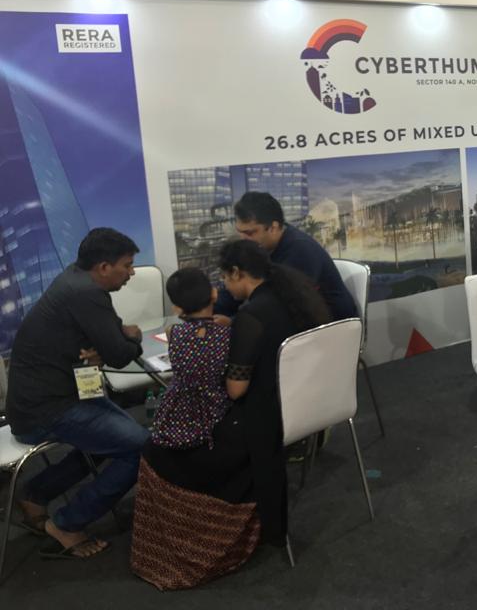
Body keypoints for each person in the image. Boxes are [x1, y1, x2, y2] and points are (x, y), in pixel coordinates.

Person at [131, 241, 329, 590]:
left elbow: (236, 390)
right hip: (300, 403)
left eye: (224, 278)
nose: (223, 287)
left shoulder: (250, 316)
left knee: (155, 450)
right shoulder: (288, 297)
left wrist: (234, 337)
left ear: (237, 273)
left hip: (259, 420)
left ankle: (185, 546)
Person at [7, 228, 150, 559]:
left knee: (114, 441)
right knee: (142, 447)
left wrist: (114, 339)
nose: (131, 273)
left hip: (45, 400)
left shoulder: (75, 279)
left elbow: (110, 335)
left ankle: (35, 495)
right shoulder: (86, 293)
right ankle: (67, 524)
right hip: (45, 411)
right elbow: (119, 352)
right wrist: (134, 337)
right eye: (127, 265)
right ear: (104, 267)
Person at [214, 191, 357, 322]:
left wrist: (234, 323)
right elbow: (237, 286)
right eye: (240, 232)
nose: (243, 239)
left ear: (273, 227)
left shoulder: (300, 251)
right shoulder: (257, 248)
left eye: (250, 233)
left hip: (332, 326)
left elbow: (278, 307)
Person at [148, 268, 231, 450]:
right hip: (217, 410)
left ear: (177, 308)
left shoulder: (173, 332)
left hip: (177, 411)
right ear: (214, 294)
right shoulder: (227, 333)